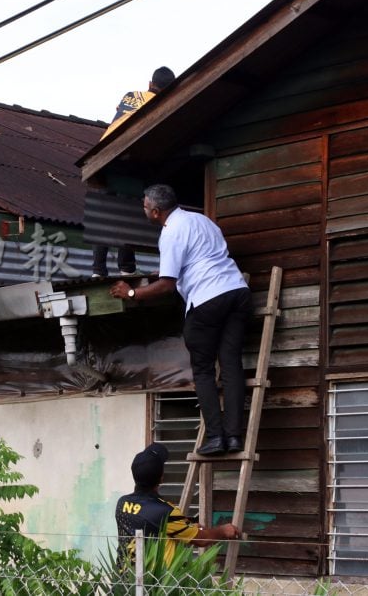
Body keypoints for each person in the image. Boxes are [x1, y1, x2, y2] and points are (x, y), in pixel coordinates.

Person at [109, 184, 251, 456]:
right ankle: (233, 437)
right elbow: (197, 259)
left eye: (144, 205)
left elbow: (166, 285)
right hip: (236, 291)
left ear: (156, 211)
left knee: (203, 370)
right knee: (231, 365)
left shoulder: (171, 232)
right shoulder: (201, 220)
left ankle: (215, 439)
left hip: (208, 299)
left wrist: (131, 292)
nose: (143, 209)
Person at [90, 67, 176, 279]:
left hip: (102, 155)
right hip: (128, 156)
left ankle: (97, 270)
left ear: (150, 84)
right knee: (127, 208)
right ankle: (126, 267)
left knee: (104, 211)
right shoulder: (165, 103)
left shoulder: (131, 95)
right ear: (170, 89)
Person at [116, 442, 241, 566]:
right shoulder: (166, 511)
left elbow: (148, 524)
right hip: (153, 583)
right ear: (161, 478)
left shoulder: (122, 503)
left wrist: (187, 527)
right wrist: (223, 530)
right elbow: (201, 539)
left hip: (124, 579)